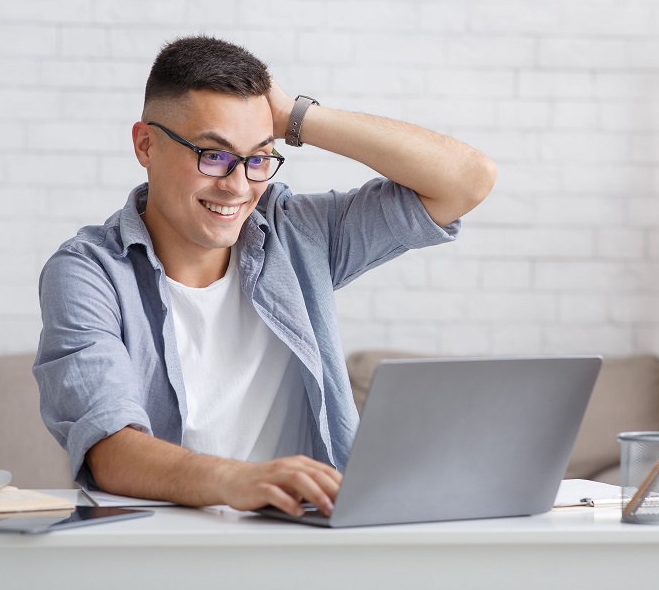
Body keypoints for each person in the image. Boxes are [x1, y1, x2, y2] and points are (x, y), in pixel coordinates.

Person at [34, 35, 496, 518]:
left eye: (257, 159)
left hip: (306, 544)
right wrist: (239, 480)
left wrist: (297, 117)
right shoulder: (89, 273)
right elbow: (111, 450)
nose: (238, 185)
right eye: (212, 155)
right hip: (168, 546)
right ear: (146, 144)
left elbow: (467, 180)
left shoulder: (294, 235)